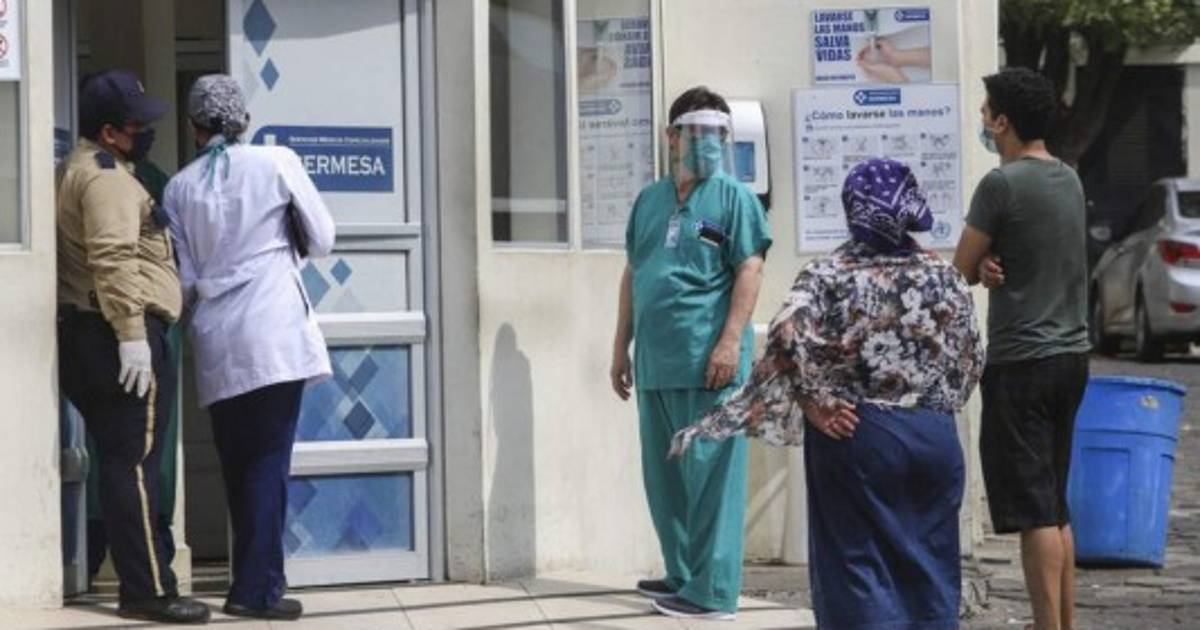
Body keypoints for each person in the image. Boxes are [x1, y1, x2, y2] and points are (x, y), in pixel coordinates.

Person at [674, 158, 984, 630]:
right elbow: (972, 355)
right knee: (929, 571)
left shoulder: (829, 273)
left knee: (856, 569)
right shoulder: (945, 276)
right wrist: (931, 406)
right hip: (932, 438)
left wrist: (813, 399)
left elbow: (786, 333)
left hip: (856, 433)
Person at [164, 75, 336, 621]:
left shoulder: (179, 188)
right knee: (267, 464)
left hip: (217, 337)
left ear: (194, 127)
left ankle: (250, 580)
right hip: (273, 330)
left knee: (238, 465)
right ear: (243, 120)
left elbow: (184, 280)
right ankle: (256, 590)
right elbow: (324, 238)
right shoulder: (277, 162)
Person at [609, 86, 772, 621]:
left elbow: (749, 268)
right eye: (697, 132)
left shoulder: (735, 199)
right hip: (657, 363)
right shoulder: (650, 200)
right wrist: (620, 346)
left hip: (710, 367)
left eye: (717, 135)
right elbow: (634, 272)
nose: (707, 143)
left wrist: (729, 341)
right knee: (666, 481)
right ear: (672, 137)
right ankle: (682, 572)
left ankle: (713, 592)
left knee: (711, 479)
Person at [56, 69, 210, 624]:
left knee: (123, 464)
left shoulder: (81, 168)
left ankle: (144, 584)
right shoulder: (106, 179)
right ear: (109, 132)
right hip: (118, 331)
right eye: (136, 124)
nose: (146, 131)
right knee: (136, 466)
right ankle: (148, 591)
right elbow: (114, 259)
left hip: (93, 331)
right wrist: (132, 338)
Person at [953, 67, 1090, 630]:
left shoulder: (1000, 185)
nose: (982, 119)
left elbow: (960, 268)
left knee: (1034, 513)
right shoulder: (1068, 178)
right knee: (1055, 506)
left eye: (986, 112)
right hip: (1071, 357)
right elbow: (1036, 253)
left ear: (1003, 122)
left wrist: (980, 265)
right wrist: (994, 263)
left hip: (1022, 362)